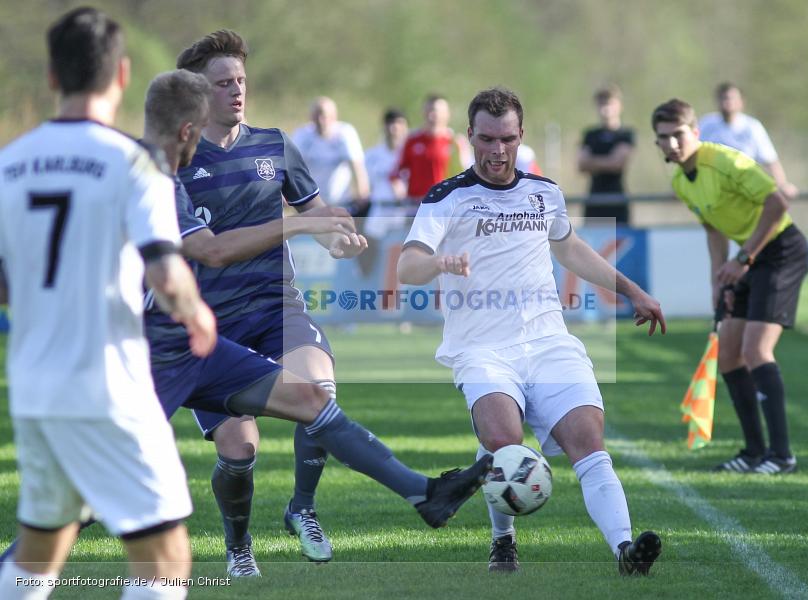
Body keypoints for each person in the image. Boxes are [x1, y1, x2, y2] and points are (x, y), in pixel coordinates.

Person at [0, 66, 493, 578]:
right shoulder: (149, 177)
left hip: (194, 342)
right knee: (83, 506)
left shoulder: (112, 167)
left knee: (312, 399)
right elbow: (209, 253)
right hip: (150, 351)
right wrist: (296, 225)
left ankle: (424, 494)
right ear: (190, 131)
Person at [175, 30, 491, 576]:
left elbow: (319, 213)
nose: (236, 91)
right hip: (211, 327)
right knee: (239, 453)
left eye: (241, 81)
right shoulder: (174, 163)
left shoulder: (274, 145)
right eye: (223, 82)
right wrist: (307, 225)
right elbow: (217, 250)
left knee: (319, 388)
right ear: (198, 92)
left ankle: (303, 506)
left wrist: (337, 238)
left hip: (277, 307)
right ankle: (238, 545)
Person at [397, 87, 666, 575]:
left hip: (548, 343)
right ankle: (504, 540)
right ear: (469, 138)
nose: (497, 151)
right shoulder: (447, 197)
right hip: (482, 349)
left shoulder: (544, 193)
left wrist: (633, 290)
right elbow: (408, 267)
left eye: (506, 139)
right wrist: (439, 260)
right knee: (505, 440)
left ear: (521, 136)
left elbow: (571, 250)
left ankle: (625, 550)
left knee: (590, 440)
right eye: (485, 139)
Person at [0, 9, 217, 600]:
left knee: (40, 549)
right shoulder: (132, 162)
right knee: (166, 559)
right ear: (121, 75)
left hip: (34, 387)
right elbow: (167, 271)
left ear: (51, 76)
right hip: (106, 385)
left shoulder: (9, 164)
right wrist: (194, 310)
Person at [652, 98, 808, 475]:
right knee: (729, 357)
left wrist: (743, 259)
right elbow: (713, 229)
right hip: (748, 259)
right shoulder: (680, 181)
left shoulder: (725, 161)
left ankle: (782, 455)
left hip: (782, 251)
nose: (671, 144)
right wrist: (717, 280)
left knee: (756, 350)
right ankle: (753, 452)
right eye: (663, 138)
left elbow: (777, 203)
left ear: (695, 132)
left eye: (678, 135)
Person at [699, 82, 799, 199]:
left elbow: (770, 160)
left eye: (731, 98)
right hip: (715, 191)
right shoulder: (707, 124)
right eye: (723, 98)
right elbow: (693, 154)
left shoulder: (752, 126)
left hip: (746, 189)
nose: (727, 102)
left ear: (741, 102)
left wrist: (782, 184)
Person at [391, 93, 472, 208]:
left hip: (446, 206)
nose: (432, 116)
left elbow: (467, 175)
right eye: (428, 111)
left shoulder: (456, 142)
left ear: (447, 114)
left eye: (436, 111)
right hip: (416, 207)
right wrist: (398, 188)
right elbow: (396, 172)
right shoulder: (412, 141)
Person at [291, 97, 370, 208]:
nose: (320, 120)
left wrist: (362, 193)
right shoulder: (302, 135)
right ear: (311, 117)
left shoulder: (345, 134)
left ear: (334, 116)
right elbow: (290, 167)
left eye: (324, 115)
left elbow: (357, 165)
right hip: (311, 204)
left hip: (341, 203)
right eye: (316, 115)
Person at [578, 84, 635, 224]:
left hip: (617, 198)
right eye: (601, 103)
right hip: (594, 199)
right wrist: (607, 161)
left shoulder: (625, 134)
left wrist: (593, 161)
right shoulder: (590, 134)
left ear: (619, 106)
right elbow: (581, 165)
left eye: (609, 103)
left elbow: (617, 164)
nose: (605, 108)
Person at [360, 108, 408, 273]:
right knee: (367, 244)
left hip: (404, 210)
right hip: (379, 209)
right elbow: (363, 184)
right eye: (390, 123)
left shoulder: (411, 153)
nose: (394, 128)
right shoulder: (373, 155)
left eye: (398, 123)